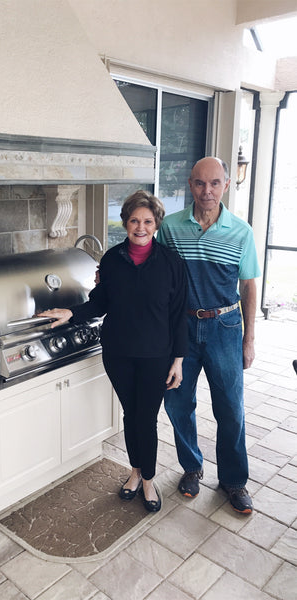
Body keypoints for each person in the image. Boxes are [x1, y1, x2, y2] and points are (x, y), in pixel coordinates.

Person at [38, 190, 188, 513]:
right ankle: (134, 472)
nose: (141, 227)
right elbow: (100, 303)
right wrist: (71, 313)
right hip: (118, 353)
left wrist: (178, 360)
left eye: (148, 221)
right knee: (130, 414)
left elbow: (179, 314)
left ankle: (148, 479)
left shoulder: (172, 264)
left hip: (155, 356)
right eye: (134, 220)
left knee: (146, 418)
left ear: (156, 224)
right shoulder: (111, 260)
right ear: (125, 223)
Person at [157, 156, 261, 514]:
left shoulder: (241, 232)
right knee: (178, 403)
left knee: (231, 409)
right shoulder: (170, 228)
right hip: (181, 328)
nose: (207, 191)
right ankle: (191, 467)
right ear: (190, 185)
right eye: (200, 183)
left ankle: (234, 481)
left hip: (225, 327)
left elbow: (248, 287)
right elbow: (152, 269)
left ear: (226, 186)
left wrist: (249, 339)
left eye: (215, 183)